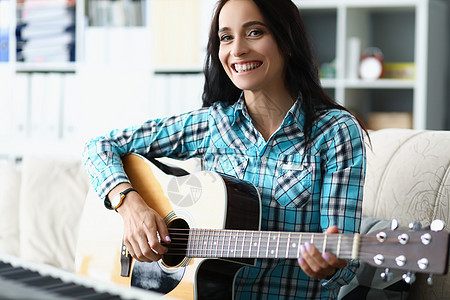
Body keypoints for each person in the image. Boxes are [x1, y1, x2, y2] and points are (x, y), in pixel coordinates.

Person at [82, 0, 366, 298]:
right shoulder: (212, 124)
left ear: (288, 41)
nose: (237, 49)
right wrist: (130, 206)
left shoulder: (336, 132)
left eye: (254, 32)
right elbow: (99, 146)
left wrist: (331, 266)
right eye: (226, 37)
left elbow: (344, 261)